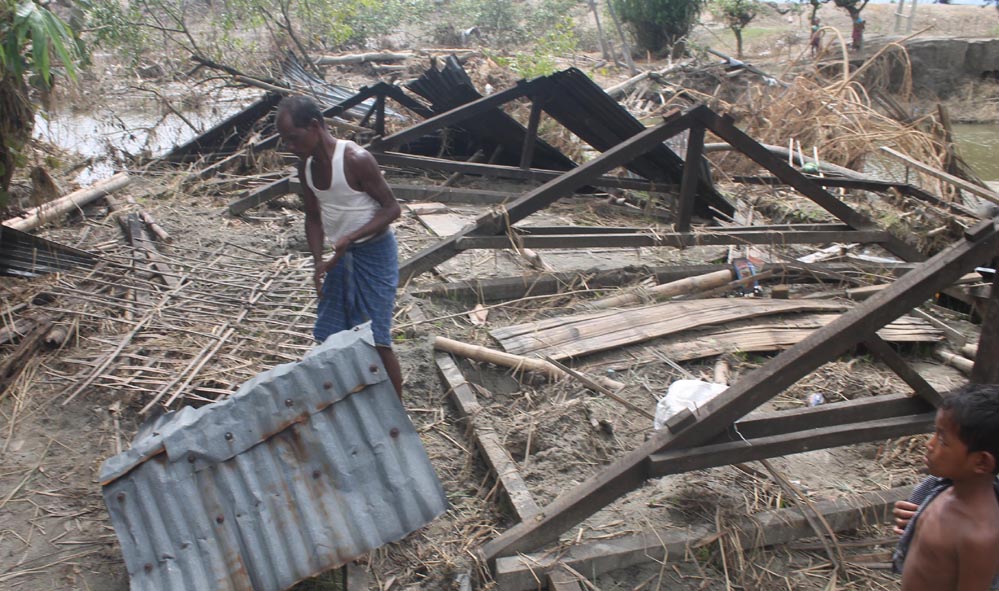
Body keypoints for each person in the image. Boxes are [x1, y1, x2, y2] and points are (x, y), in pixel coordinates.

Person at [275, 95, 404, 399]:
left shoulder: (354, 159)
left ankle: (398, 411)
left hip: (374, 253)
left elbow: (392, 209)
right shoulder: (306, 167)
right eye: (285, 141)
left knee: (376, 338)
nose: (291, 147)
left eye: (294, 138)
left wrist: (350, 237)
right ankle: (345, 399)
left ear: (316, 126)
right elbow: (313, 216)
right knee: (332, 334)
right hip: (338, 259)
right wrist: (318, 260)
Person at [892, 383, 999, 591]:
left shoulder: (979, 537)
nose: (929, 444)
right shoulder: (939, 489)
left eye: (942, 439)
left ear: (981, 463)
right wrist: (910, 518)